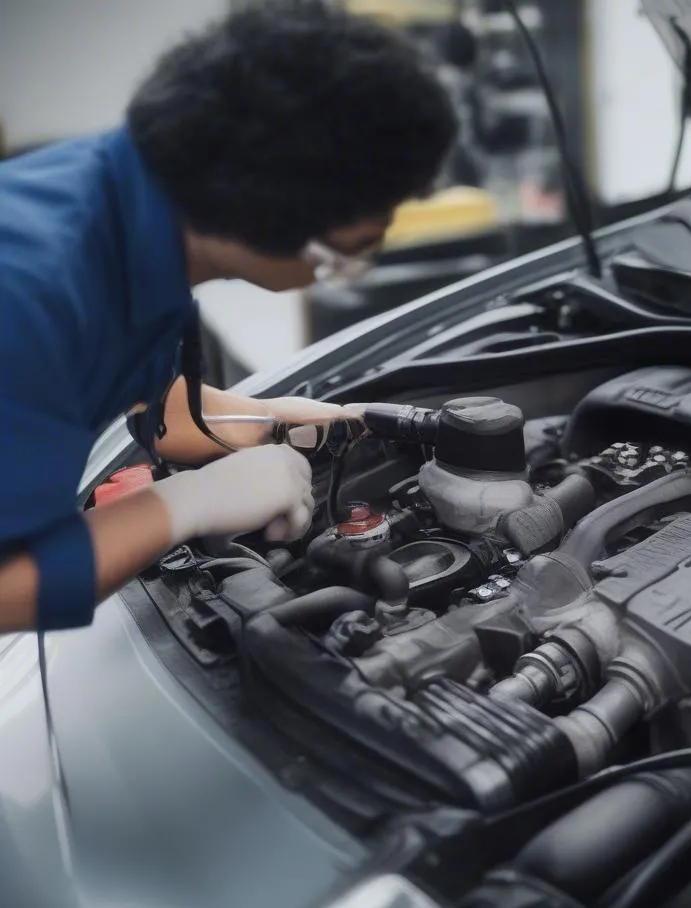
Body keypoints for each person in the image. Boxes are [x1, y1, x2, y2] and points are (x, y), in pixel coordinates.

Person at [0, 0, 457, 635]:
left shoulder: (135, 202)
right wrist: (185, 504)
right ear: (281, 209)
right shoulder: (29, 293)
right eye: (361, 241)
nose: (377, 235)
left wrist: (308, 424)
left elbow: (162, 413)